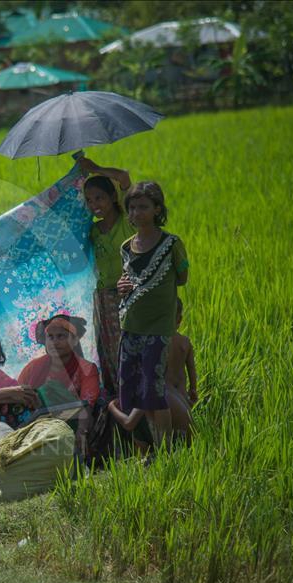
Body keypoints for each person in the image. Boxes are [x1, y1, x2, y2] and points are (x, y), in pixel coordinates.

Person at [116, 182, 189, 448]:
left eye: (144, 207)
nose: (137, 213)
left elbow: (182, 277)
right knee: (131, 389)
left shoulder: (171, 244)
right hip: (130, 324)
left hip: (157, 327)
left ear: (157, 209)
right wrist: (121, 287)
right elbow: (126, 281)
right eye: (132, 208)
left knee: (153, 390)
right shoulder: (126, 247)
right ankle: (143, 449)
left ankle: (165, 448)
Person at [108, 298, 196, 448]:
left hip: (178, 443)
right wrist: (193, 390)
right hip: (184, 404)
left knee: (131, 410)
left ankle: (149, 453)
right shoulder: (184, 342)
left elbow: (129, 423)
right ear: (178, 319)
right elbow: (193, 377)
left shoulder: (153, 389)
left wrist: (111, 407)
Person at [79, 158, 133, 396]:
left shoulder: (129, 221)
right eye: (89, 200)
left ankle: (135, 399)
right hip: (103, 297)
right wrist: (76, 176)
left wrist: (95, 170)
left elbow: (124, 177)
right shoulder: (92, 230)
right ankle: (116, 401)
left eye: (99, 198)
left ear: (113, 198)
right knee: (108, 350)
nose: (94, 204)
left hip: (128, 294)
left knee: (128, 347)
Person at [17, 314, 101, 456]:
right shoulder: (32, 368)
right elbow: (18, 398)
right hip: (36, 430)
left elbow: (87, 406)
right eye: (50, 337)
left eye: (61, 336)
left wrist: (82, 433)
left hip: (73, 426)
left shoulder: (87, 368)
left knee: (49, 389)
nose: (55, 342)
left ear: (74, 340)